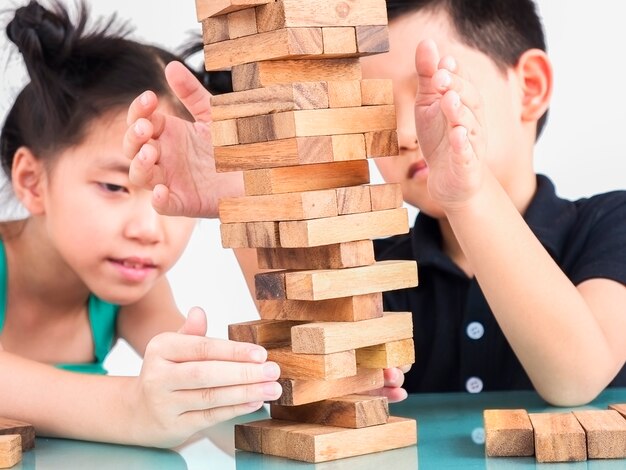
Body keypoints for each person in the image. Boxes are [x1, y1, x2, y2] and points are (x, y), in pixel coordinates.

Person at [123, 0, 626, 406]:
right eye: (374, 110)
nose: (406, 133)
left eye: (431, 89)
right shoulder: (376, 261)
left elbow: (576, 377)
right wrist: (250, 196)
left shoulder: (610, 223)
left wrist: (467, 191)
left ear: (530, 87)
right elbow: (326, 386)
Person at [0, 1, 282, 448]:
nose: (150, 229)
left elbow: (236, 432)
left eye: (162, 191)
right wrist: (134, 408)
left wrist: (321, 396)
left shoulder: (132, 286)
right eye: (114, 187)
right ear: (32, 181)